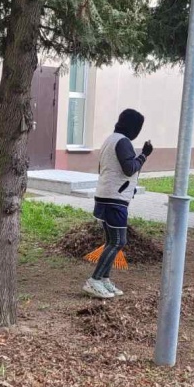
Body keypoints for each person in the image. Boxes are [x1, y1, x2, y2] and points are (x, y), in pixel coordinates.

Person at [83, 109, 153, 299]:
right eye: (138, 128)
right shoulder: (123, 142)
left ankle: (104, 278)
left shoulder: (110, 140)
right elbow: (129, 168)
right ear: (133, 127)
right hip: (114, 200)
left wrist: (128, 188)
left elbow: (109, 169)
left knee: (111, 241)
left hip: (106, 196)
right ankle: (94, 280)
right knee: (118, 241)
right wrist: (144, 155)